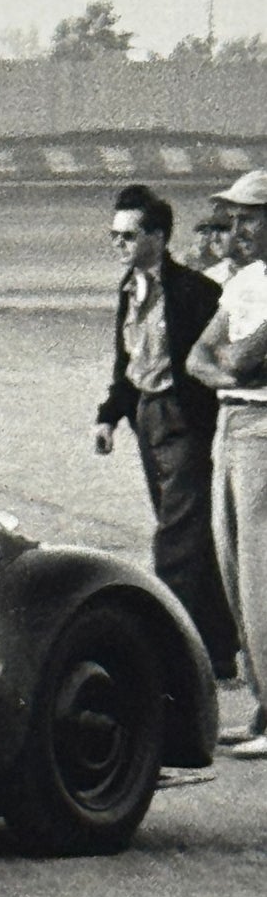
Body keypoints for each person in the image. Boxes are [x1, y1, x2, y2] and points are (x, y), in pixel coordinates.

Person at [92, 185, 238, 679]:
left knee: (176, 541)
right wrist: (109, 416)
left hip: (182, 419)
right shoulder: (128, 289)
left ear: (157, 236)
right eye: (114, 236)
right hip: (146, 417)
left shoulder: (194, 292)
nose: (118, 245)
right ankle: (218, 649)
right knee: (189, 535)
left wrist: (209, 415)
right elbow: (127, 363)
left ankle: (172, 654)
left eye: (128, 235)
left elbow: (216, 357)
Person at [187, 170, 267, 755]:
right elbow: (201, 356)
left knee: (261, 575)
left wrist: (227, 370)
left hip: (261, 428)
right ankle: (264, 708)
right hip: (232, 423)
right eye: (233, 217)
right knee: (233, 567)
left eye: (249, 217)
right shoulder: (246, 282)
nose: (237, 228)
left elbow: (238, 358)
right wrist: (227, 372)